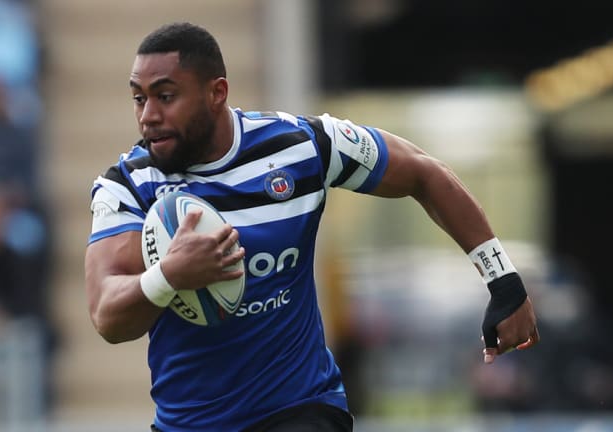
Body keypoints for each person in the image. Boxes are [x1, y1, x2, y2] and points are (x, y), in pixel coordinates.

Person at [84, 22, 539, 432]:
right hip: (189, 423)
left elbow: (423, 172)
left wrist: (503, 282)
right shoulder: (128, 185)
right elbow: (107, 315)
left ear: (216, 92)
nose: (148, 116)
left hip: (299, 409)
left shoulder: (301, 146)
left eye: (166, 96)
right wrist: (169, 276)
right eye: (139, 98)